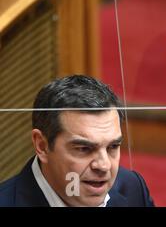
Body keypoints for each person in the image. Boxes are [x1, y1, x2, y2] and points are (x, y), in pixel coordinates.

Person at [0, 75, 154, 207]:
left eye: (112, 147)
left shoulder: (132, 188)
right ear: (42, 146)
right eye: (84, 149)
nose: (104, 165)